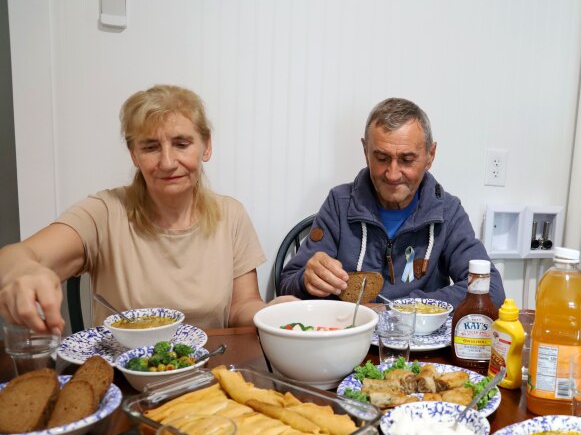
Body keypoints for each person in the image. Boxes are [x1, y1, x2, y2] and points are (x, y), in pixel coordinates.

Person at [0, 84, 292, 334]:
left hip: (206, 377)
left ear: (206, 146)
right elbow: (16, 257)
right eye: (151, 147)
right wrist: (21, 271)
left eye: (181, 143)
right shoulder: (104, 213)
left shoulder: (231, 215)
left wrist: (268, 314)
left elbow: (241, 306)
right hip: (123, 381)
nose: (167, 162)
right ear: (134, 155)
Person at [279, 97, 505, 307]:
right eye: (381, 158)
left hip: (420, 345)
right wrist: (306, 280)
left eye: (407, 160)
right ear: (365, 150)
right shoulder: (339, 204)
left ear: (430, 155)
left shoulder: (447, 212)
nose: (393, 174)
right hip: (351, 344)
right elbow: (286, 285)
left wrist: (403, 309)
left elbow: (491, 289)